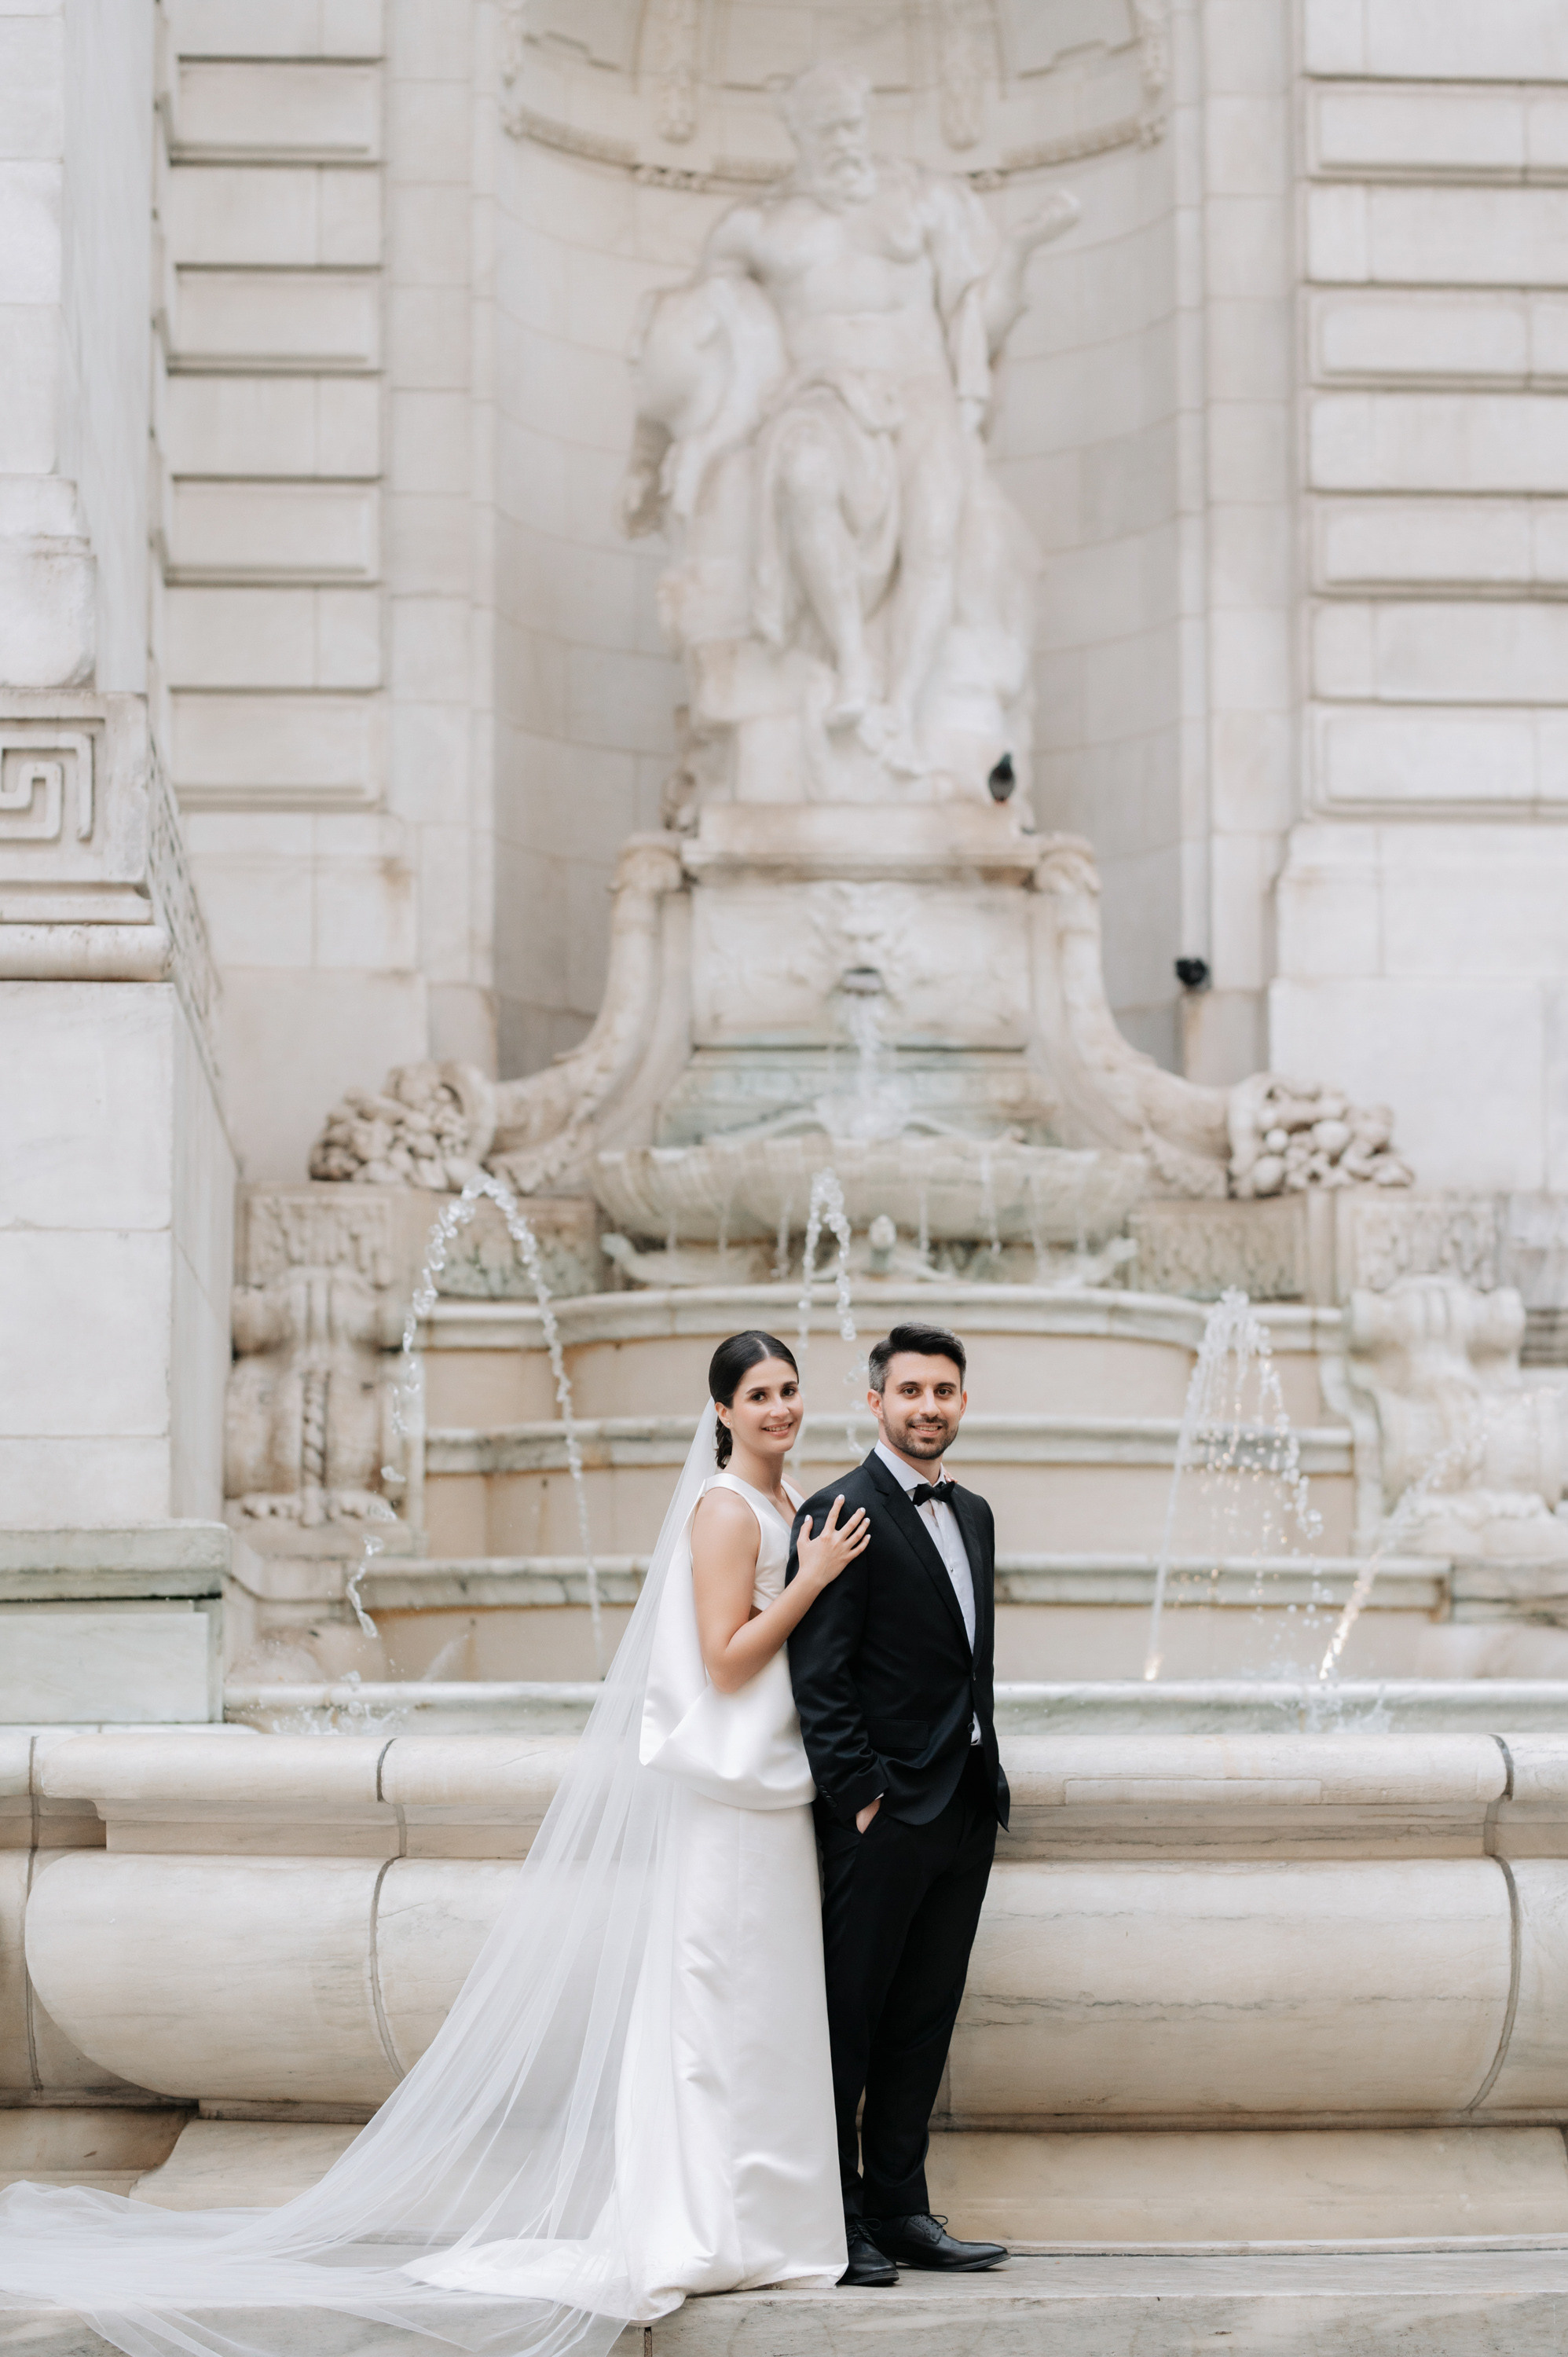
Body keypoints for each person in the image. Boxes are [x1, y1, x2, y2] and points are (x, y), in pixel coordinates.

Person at [0, 1332, 869, 2357]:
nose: (781, 1408)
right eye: (759, 1395)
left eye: (789, 1390)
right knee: (721, 2008)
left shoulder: (784, 1503)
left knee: (766, 2014)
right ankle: (707, 2224)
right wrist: (809, 1583)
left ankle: (768, 2223)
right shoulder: (726, 1510)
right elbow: (724, 1664)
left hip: (772, 1793)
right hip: (729, 1805)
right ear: (721, 1412)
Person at [786, 1321, 1010, 2286]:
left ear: (962, 1403)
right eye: (910, 1391)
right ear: (875, 1401)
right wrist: (861, 1799)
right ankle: (834, 2221)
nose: (928, 1407)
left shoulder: (978, 1514)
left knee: (924, 2018)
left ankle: (902, 2208)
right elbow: (820, 1678)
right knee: (848, 2024)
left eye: (944, 1392)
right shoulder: (839, 1511)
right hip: (880, 1818)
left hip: (962, 1807)